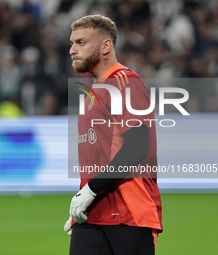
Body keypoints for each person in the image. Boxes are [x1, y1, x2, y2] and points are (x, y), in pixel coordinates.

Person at [64, 14, 163, 255]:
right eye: (71, 43)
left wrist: (90, 190)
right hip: (91, 215)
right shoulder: (91, 95)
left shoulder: (125, 82)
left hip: (129, 215)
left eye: (81, 43)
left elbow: (136, 149)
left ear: (105, 46)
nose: (72, 50)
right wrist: (83, 199)